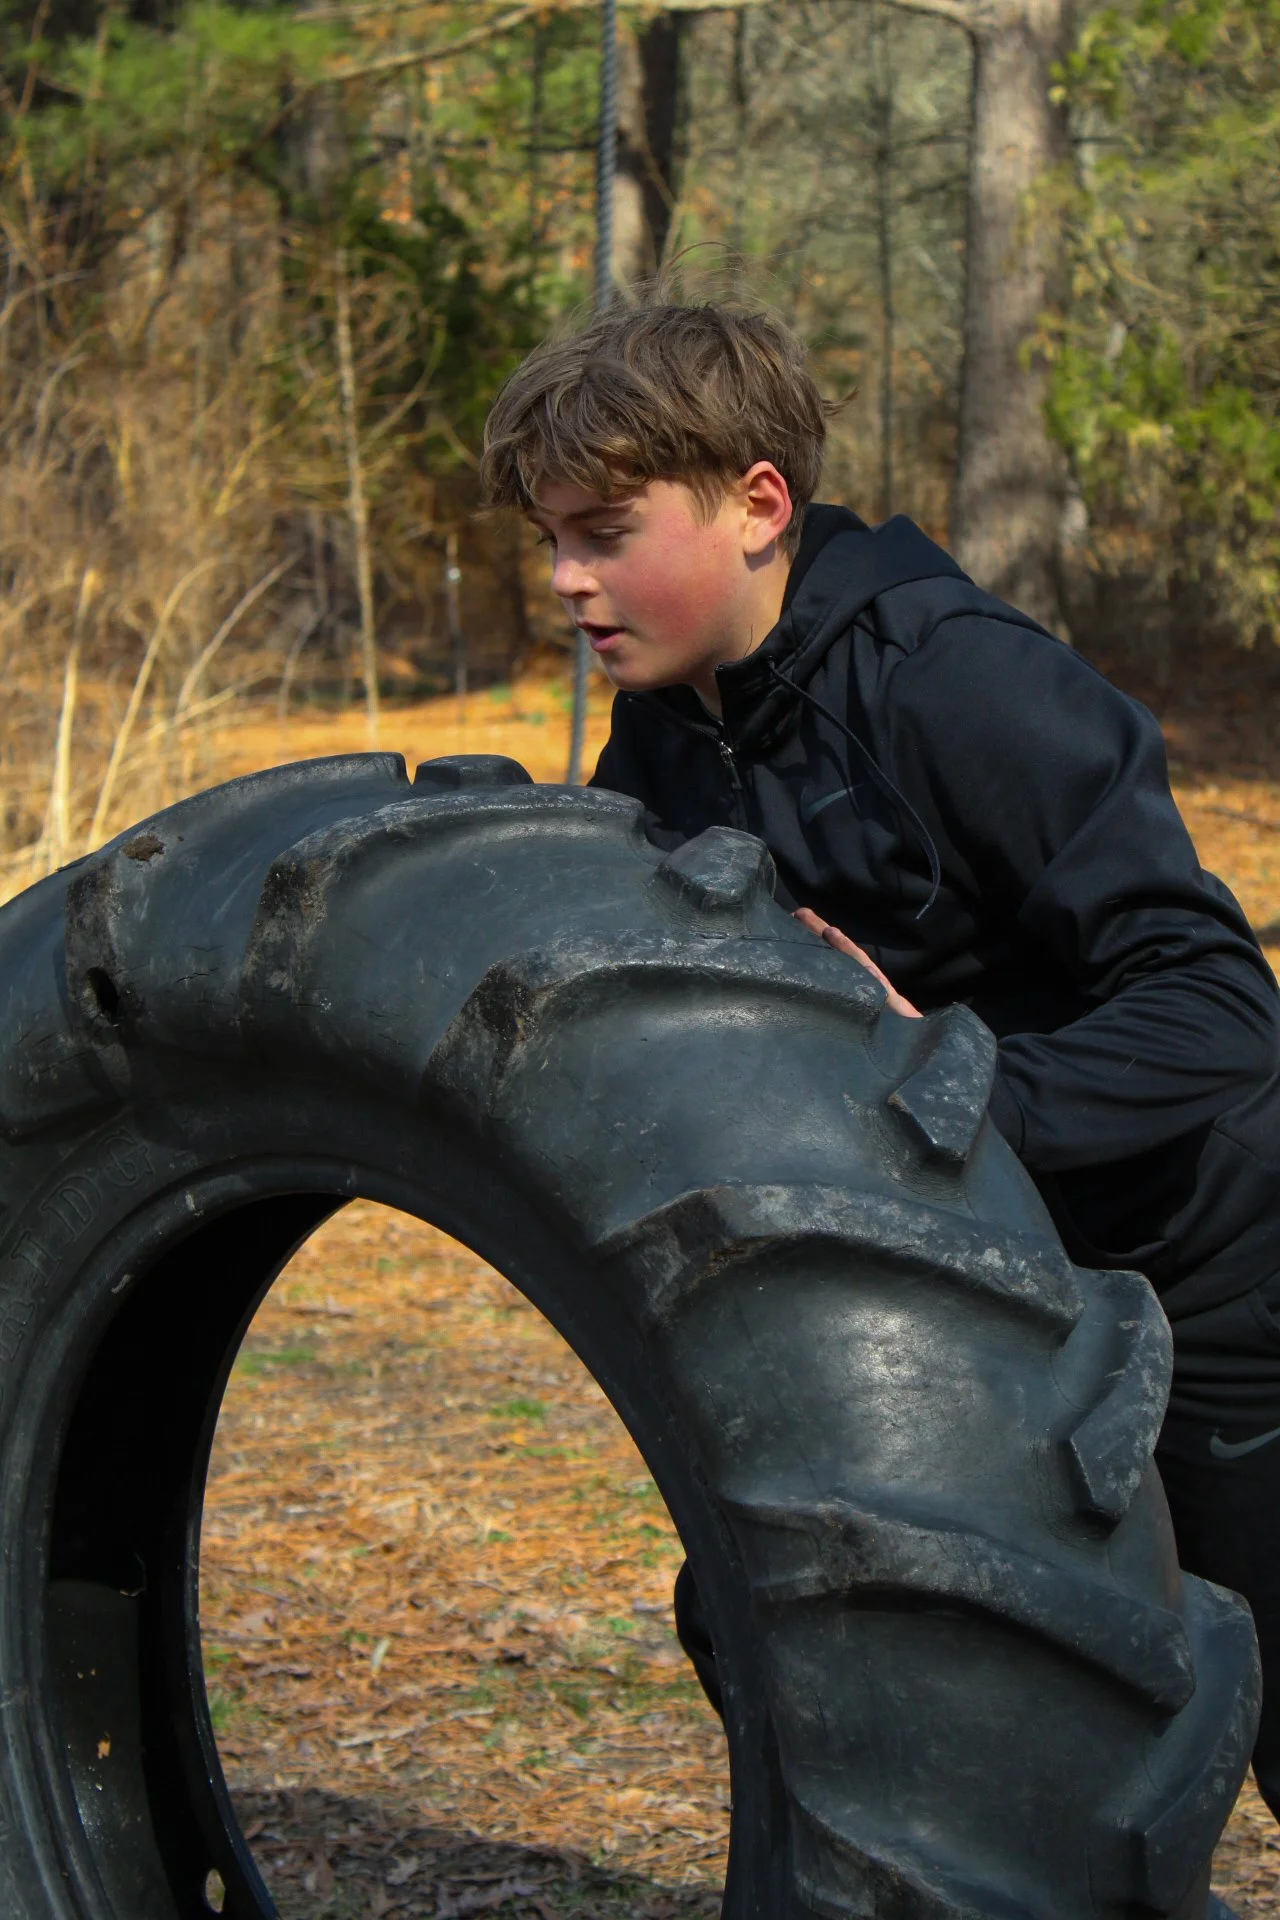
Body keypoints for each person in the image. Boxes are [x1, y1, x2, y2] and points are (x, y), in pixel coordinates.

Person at [479, 298, 1280, 1820]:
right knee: (784, 1637)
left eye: (604, 531)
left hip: (1214, 1275)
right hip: (982, 1289)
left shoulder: (958, 680)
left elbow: (1216, 1010)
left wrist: (944, 1090)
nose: (570, 582)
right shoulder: (665, 728)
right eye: (550, 541)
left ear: (760, 505)